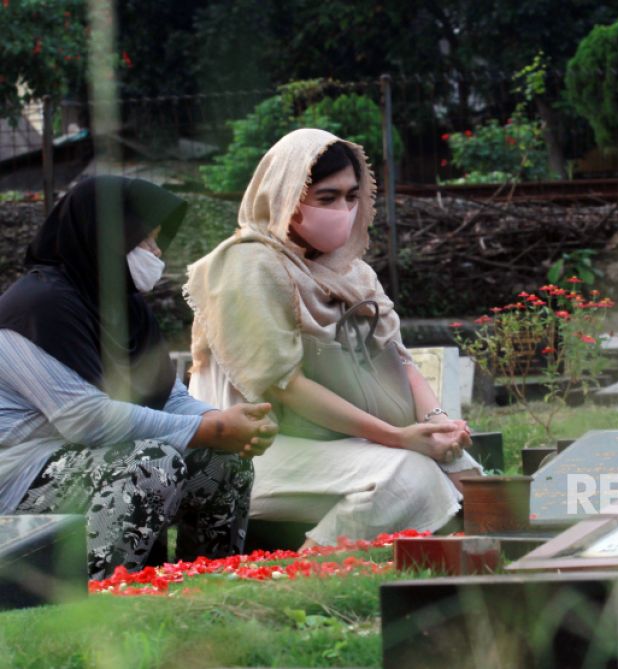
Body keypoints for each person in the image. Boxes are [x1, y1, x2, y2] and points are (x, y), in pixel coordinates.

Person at [185, 128, 482, 549]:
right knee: (407, 475)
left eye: (351, 196)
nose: (343, 209)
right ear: (285, 198)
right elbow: (284, 385)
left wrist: (437, 422)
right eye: (327, 198)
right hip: (251, 450)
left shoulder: (353, 272)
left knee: (463, 472)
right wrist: (396, 437)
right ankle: (309, 567)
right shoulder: (247, 265)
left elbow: (398, 357)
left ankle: (489, 555)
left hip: (334, 439)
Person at [0, 176, 277, 579]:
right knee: (151, 463)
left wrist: (225, 422)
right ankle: (108, 597)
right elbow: (87, 419)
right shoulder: (33, 309)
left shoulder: (123, 310)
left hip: (92, 459)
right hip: (18, 475)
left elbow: (168, 396)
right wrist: (212, 429)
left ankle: (208, 591)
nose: (157, 252)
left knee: (224, 461)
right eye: (146, 239)